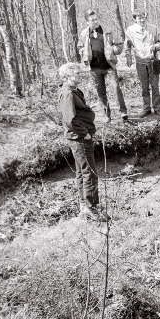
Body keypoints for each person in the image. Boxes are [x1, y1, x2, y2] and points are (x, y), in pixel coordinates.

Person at [58, 62, 105, 221]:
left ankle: (85, 207)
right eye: (77, 74)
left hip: (79, 137)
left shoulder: (74, 91)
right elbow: (69, 120)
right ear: (67, 76)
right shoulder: (68, 94)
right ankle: (92, 209)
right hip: (79, 139)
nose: (80, 76)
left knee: (81, 172)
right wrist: (84, 134)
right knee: (89, 173)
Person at [78, 9, 127, 121]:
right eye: (92, 20)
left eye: (96, 19)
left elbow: (119, 44)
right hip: (94, 68)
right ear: (87, 22)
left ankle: (123, 113)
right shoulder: (84, 34)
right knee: (101, 93)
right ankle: (106, 115)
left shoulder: (107, 31)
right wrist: (82, 51)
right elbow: (80, 46)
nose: (95, 21)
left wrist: (116, 49)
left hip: (109, 66)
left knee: (116, 88)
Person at [125, 9, 160, 117]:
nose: (142, 20)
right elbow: (127, 45)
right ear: (135, 19)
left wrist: (156, 46)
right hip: (140, 62)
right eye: (139, 18)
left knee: (155, 86)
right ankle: (146, 108)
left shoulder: (153, 28)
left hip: (153, 61)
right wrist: (128, 57)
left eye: (143, 17)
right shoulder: (130, 30)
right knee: (144, 87)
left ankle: (157, 108)